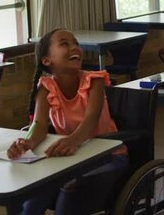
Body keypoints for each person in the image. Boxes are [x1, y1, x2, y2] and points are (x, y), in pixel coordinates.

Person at [7, 29, 129, 215]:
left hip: (109, 156)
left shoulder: (93, 81)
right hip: (70, 159)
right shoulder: (46, 87)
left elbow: (91, 118)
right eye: (64, 44)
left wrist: (72, 141)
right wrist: (27, 143)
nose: (74, 47)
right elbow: (39, 125)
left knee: (69, 187)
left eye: (75, 43)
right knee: (34, 191)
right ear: (47, 60)